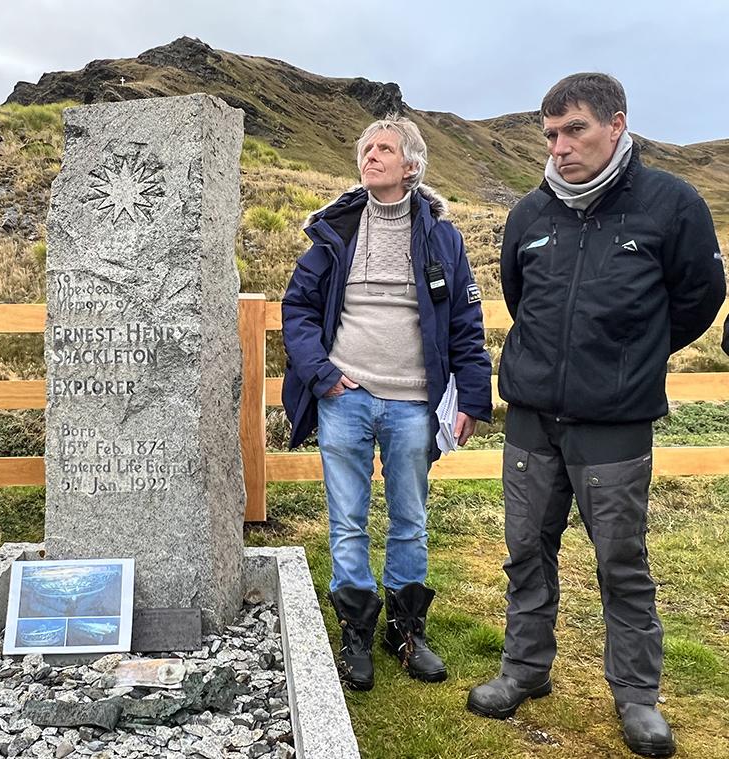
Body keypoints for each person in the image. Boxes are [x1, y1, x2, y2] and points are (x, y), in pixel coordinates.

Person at [467, 73, 726, 758]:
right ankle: (525, 668)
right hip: (531, 419)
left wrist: (630, 355)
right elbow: (522, 298)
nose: (559, 146)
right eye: (550, 134)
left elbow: (699, 298)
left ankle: (637, 696)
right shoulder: (531, 214)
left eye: (573, 129)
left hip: (614, 423)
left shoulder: (672, 205)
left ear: (616, 124)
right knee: (526, 550)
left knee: (621, 561)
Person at [281, 116, 492, 690]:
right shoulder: (335, 232)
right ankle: (355, 632)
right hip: (345, 397)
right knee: (347, 520)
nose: (370, 156)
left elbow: (466, 324)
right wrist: (323, 376)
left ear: (411, 167)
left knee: (410, 520)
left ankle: (405, 629)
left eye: (384, 149)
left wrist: (472, 393)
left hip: (415, 405)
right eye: (365, 148)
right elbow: (297, 309)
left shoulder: (443, 239)